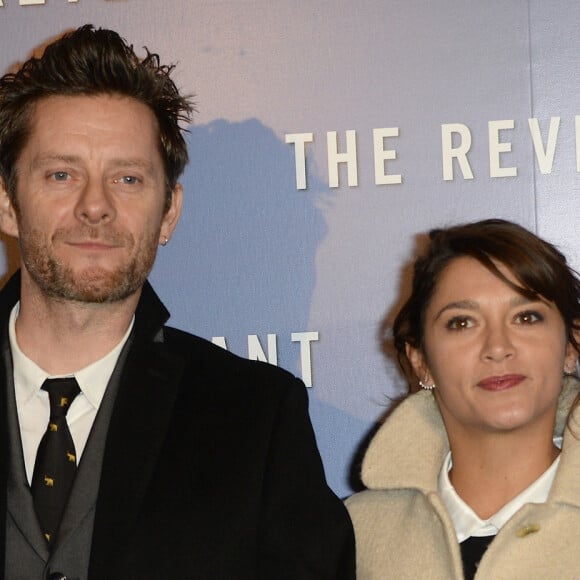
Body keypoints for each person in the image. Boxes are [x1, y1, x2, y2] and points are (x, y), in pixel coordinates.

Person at [0, 25, 355, 579]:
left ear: (169, 212)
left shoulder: (256, 419)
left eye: (128, 178)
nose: (95, 206)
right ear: (6, 202)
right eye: (62, 174)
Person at [346, 218, 580, 579]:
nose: (498, 347)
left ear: (569, 346)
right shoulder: (353, 536)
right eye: (462, 323)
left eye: (526, 317)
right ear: (420, 361)